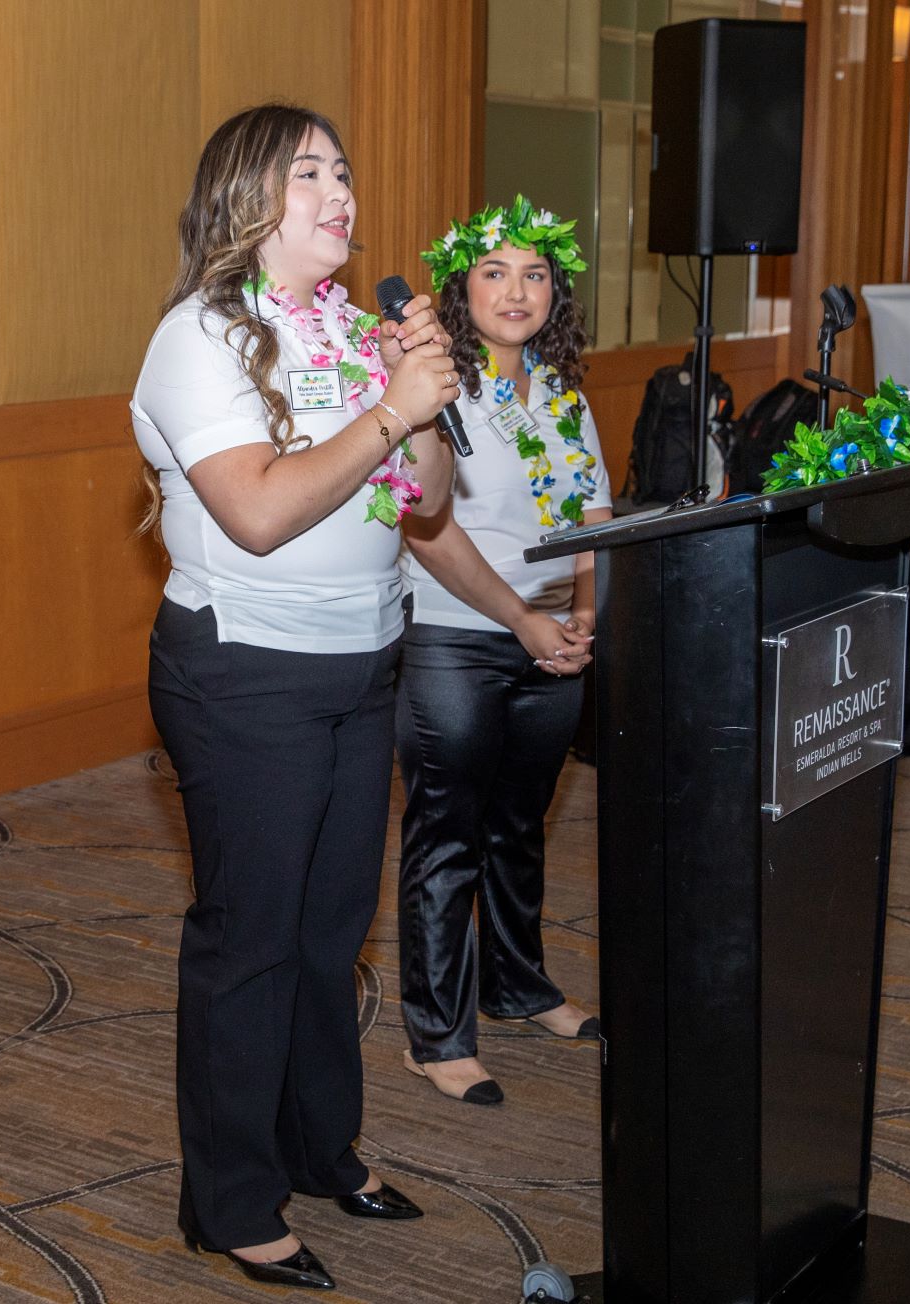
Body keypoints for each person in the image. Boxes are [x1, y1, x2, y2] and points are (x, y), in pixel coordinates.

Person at [131, 104, 462, 1291]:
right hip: (244, 670)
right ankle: (227, 1197)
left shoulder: (356, 329)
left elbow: (423, 501)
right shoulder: (199, 336)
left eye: (346, 171)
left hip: (362, 658)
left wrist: (421, 389)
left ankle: (322, 1149)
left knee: (330, 935)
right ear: (248, 199)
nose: (342, 191)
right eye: (309, 171)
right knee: (252, 938)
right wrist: (391, 411)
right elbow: (260, 512)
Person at [394, 197, 611, 1107]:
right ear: (460, 290)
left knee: (520, 829)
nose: (516, 291)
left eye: (535, 274)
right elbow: (424, 527)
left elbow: (593, 516)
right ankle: (436, 1035)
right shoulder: (434, 387)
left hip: (552, 639)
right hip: (455, 635)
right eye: (494, 272)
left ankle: (519, 986)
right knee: (446, 837)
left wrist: (587, 616)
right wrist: (523, 621)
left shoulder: (562, 394)